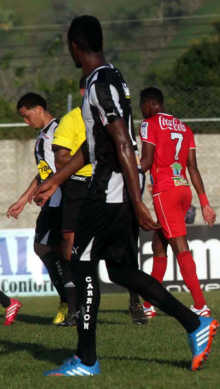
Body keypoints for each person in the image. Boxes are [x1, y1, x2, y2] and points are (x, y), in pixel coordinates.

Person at [32, 15, 219, 376]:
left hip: (107, 193)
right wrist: (56, 179)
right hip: (116, 191)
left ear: (74, 46)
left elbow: (122, 144)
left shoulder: (100, 84)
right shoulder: (109, 77)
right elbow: (95, 145)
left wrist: (136, 202)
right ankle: (195, 324)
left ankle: (86, 360)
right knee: (120, 270)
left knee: (80, 264)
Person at [53, 76, 148, 326]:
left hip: (113, 187)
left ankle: (136, 302)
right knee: (74, 250)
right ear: (85, 92)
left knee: (125, 253)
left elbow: (125, 148)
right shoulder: (72, 119)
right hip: (79, 188)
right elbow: (61, 159)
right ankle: (77, 310)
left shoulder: (114, 117)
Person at [138, 87, 216, 319]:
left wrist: (126, 171)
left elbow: (146, 161)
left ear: (150, 104)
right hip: (184, 191)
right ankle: (149, 304)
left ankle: (200, 304)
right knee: (159, 245)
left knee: (180, 246)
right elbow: (193, 167)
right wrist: (204, 202)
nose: (141, 110)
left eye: (142, 106)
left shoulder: (149, 124)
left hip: (165, 191)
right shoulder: (184, 127)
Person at [6, 93, 75, 327]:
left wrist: (50, 190)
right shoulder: (43, 136)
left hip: (61, 200)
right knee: (50, 249)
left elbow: (64, 167)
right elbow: (44, 172)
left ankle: (70, 305)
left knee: (53, 249)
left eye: (26, 116)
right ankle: (70, 304)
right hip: (52, 198)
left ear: (37, 108)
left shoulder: (57, 132)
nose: (26, 122)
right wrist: (24, 199)